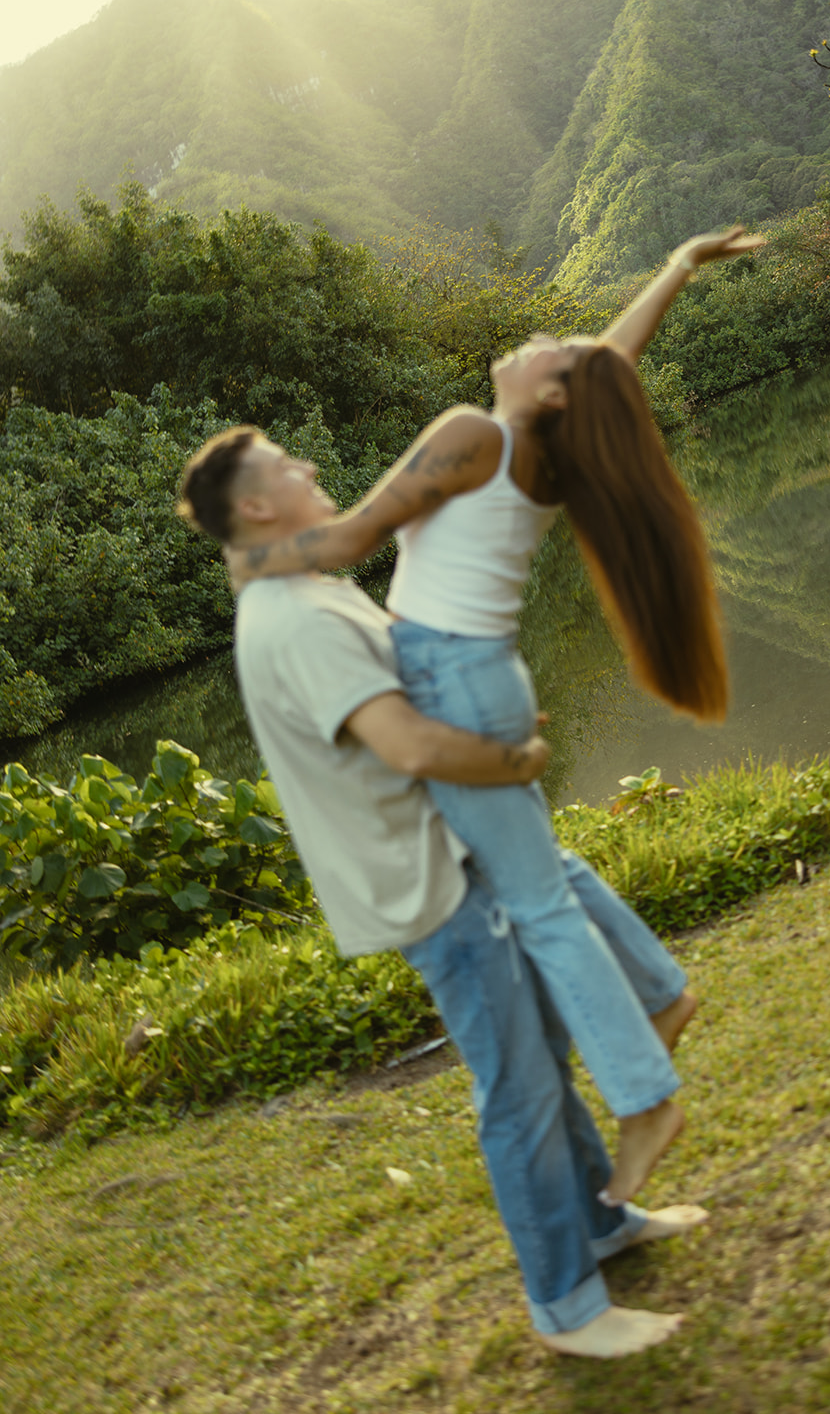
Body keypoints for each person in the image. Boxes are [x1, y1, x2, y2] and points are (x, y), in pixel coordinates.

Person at [227, 227, 763, 1204]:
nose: (540, 340)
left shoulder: (471, 434)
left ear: (550, 393)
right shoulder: (544, 447)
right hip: (480, 670)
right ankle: (659, 994)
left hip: (447, 677)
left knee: (536, 902)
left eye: (552, 351)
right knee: (544, 867)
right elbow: (608, 363)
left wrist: (243, 561)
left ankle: (644, 1099)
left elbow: (346, 538)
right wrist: (676, 266)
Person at [177, 427, 709, 1359]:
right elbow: (410, 747)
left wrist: (489, 718)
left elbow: (420, 704)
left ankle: (601, 1226)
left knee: (539, 1058)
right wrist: (516, 757)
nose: (309, 466)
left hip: (457, 857)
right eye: (286, 467)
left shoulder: (305, 586)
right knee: (520, 1092)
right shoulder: (294, 617)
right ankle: (567, 1309)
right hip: (431, 883)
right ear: (256, 507)